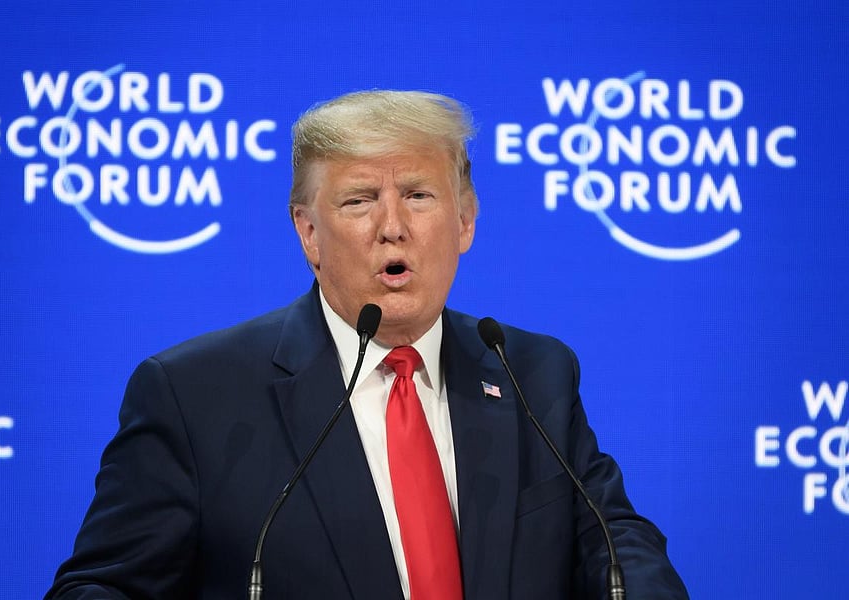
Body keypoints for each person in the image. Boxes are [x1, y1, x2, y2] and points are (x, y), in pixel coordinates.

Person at [46, 90, 689, 599]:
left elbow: (613, 542)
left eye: (418, 195)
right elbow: (101, 587)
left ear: (464, 219)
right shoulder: (193, 394)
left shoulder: (530, 372)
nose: (393, 228)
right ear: (309, 234)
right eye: (359, 200)